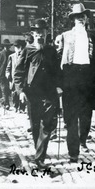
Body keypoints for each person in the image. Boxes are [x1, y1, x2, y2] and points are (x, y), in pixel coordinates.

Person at [58, 3, 95, 163]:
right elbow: (59, 60)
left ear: (86, 18)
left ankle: (83, 140)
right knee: (70, 116)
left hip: (88, 78)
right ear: (73, 19)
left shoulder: (93, 37)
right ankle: (73, 151)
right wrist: (58, 82)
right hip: (70, 78)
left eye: (82, 16)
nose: (80, 19)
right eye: (77, 17)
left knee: (86, 115)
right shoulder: (64, 36)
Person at [14, 19, 61, 168]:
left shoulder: (51, 51)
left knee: (47, 125)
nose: (40, 35)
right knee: (35, 126)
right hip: (32, 93)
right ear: (33, 34)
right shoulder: (27, 51)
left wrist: (60, 86)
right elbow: (18, 73)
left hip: (49, 93)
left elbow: (57, 72)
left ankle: (39, 158)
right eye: (37, 33)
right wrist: (20, 91)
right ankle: (39, 151)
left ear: (46, 33)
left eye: (42, 32)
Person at [6, 39, 27, 113]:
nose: (19, 49)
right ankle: (15, 106)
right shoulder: (11, 56)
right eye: (17, 47)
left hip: (22, 78)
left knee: (22, 92)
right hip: (13, 78)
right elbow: (8, 68)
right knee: (14, 93)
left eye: (20, 47)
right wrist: (7, 74)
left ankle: (22, 108)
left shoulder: (25, 56)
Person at [0, 39, 13, 110]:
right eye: (6, 46)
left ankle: (5, 101)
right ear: (4, 46)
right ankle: (6, 104)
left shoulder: (12, 53)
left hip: (10, 73)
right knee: (4, 89)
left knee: (9, 89)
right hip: (2, 74)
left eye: (8, 46)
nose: (7, 47)